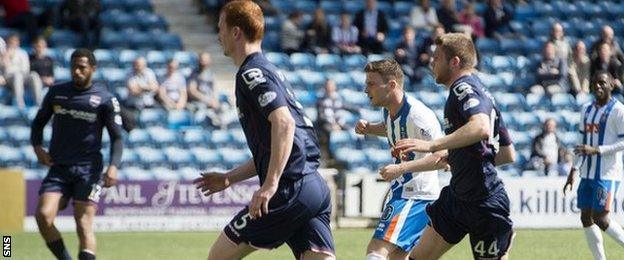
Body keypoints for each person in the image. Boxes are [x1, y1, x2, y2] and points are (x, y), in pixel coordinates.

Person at [193, 1, 335, 259]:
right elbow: (277, 146)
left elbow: (284, 123)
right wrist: (229, 178)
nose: (218, 35)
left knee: (218, 257)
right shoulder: (268, 70)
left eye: (221, 28)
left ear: (236, 32)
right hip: (314, 187)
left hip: (289, 189)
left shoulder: (251, 73)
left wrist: (270, 185)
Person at [394, 33, 515, 259]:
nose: (431, 62)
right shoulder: (483, 93)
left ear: (454, 62)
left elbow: (481, 128)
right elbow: (508, 154)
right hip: (458, 198)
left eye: (437, 57)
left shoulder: (463, 89)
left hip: (484, 201)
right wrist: (459, 156)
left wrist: (432, 145)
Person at [30, 49, 123, 260]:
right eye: (73, 66)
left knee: (83, 224)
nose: (77, 71)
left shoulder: (104, 99)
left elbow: (117, 137)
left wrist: (114, 165)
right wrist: (37, 148)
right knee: (43, 216)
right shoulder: (57, 93)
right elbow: (38, 123)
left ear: (92, 69)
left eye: (82, 67)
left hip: (88, 170)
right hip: (59, 167)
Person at [354, 59, 444, 260]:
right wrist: (369, 128)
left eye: (371, 84)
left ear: (392, 85)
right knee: (397, 256)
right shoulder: (389, 109)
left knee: (376, 250)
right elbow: (389, 127)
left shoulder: (419, 116)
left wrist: (401, 169)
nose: (365, 89)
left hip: (415, 195)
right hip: (404, 192)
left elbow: (442, 157)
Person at [563, 71, 624, 260]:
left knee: (601, 217)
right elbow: (582, 142)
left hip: (607, 173)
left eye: (602, 83)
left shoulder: (619, 110)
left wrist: (598, 150)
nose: (597, 86)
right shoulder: (586, 109)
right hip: (587, 173)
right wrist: (574, 169)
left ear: (611, 86)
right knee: (586, 217)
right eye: (595, 83)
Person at [2, 34, 41, 108]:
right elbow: (6, 71)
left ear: (18, 43)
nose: (12, 44)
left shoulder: (23, 53)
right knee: (18, 76)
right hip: (7, 79)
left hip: (22, 76)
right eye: (11, 42)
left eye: (14, 42)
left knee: (34, 75)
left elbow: (25, 69)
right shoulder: (3, 54)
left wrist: (12, 68)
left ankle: (39, 103)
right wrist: (6, 58)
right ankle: (19, 102)